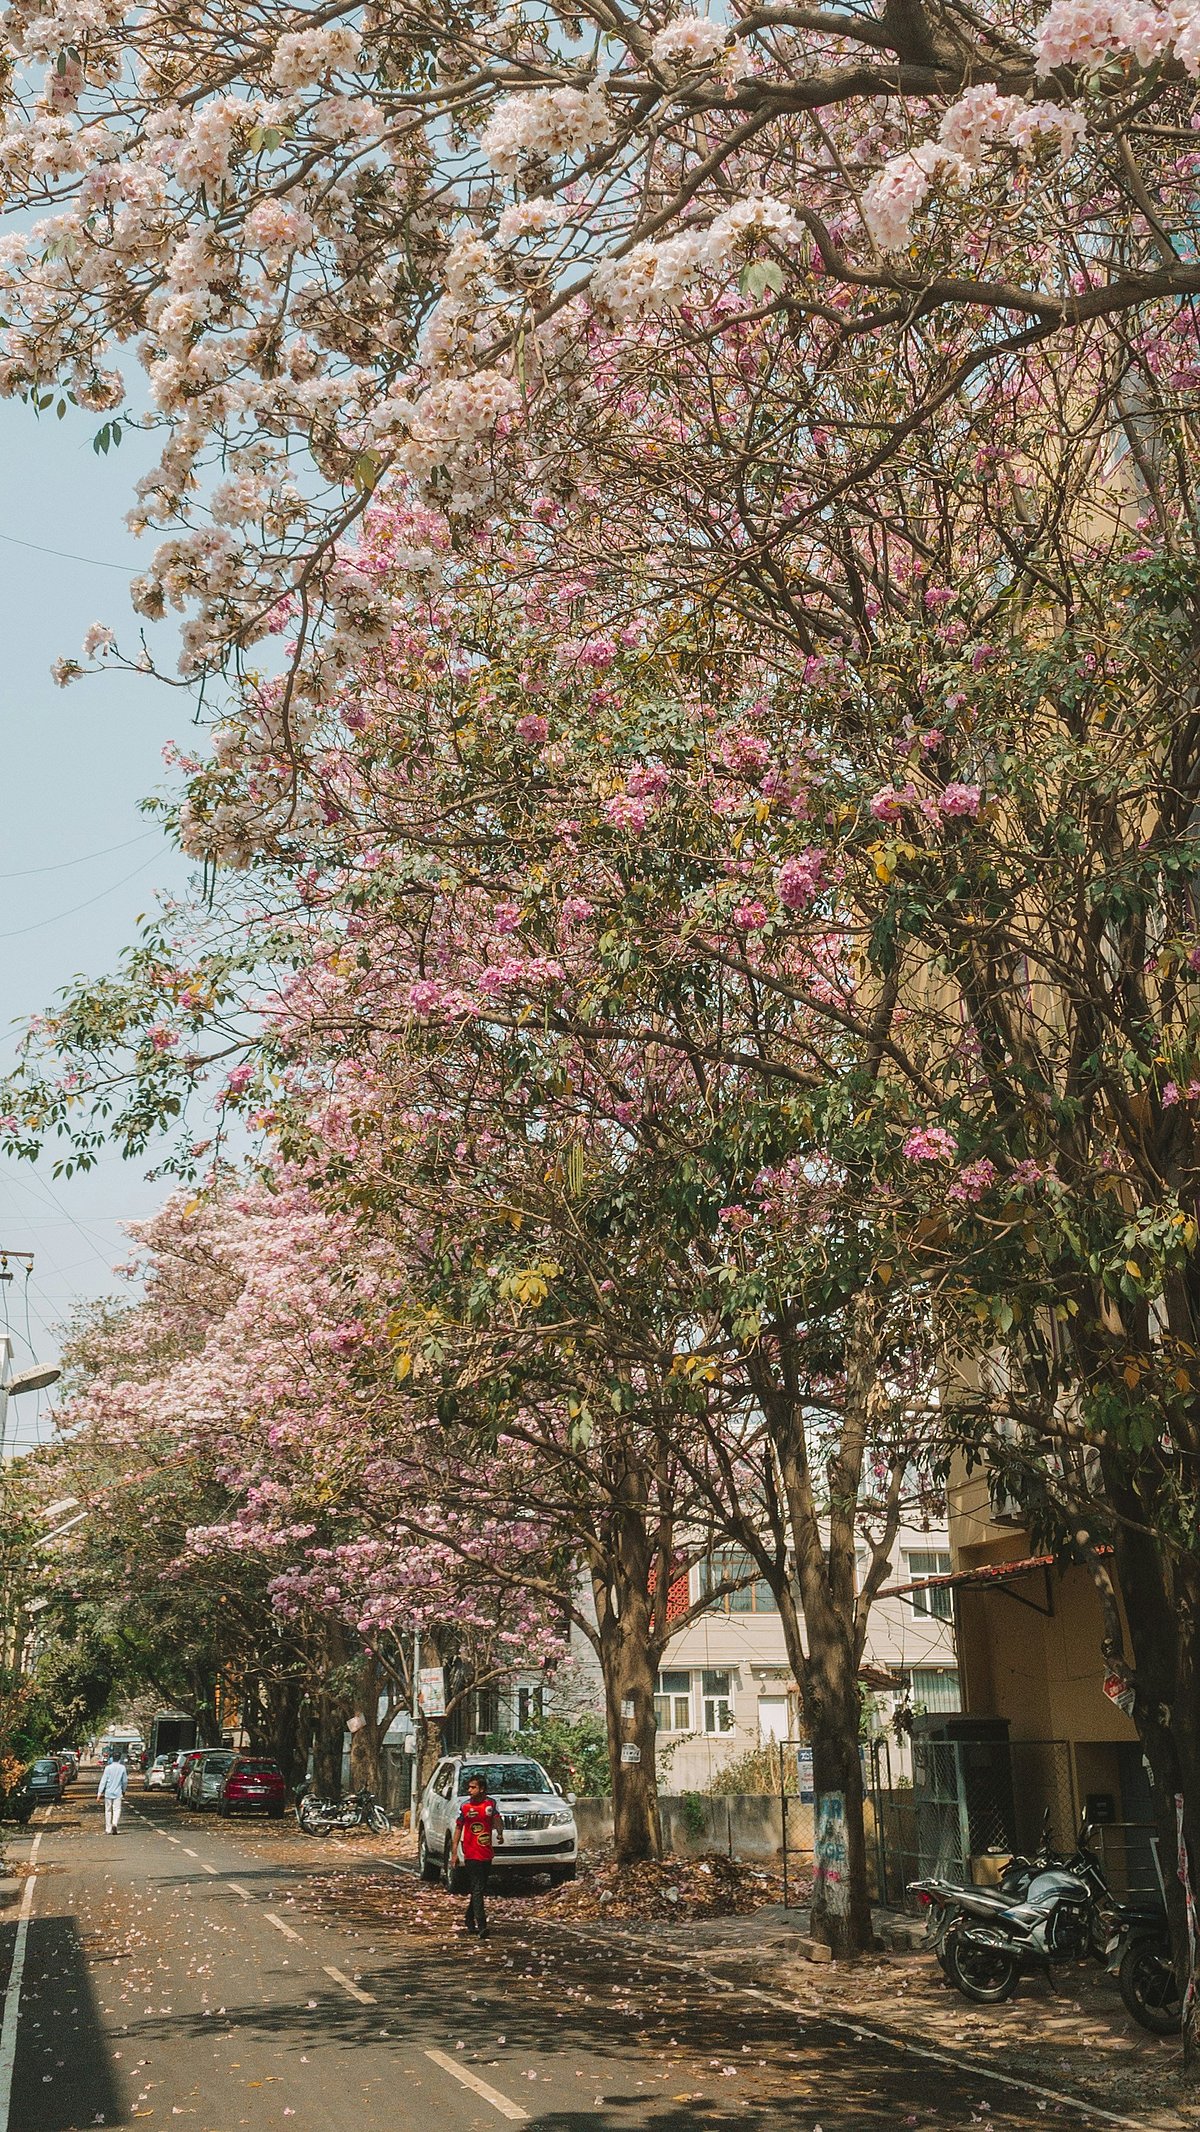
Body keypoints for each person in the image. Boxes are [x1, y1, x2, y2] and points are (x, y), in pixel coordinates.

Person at [450, 1769, 503, 1937]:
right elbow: (458, 1828)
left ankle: (468, 1917)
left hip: (486, 1852)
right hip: (471, 1853)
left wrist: (500, 1833)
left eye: (473, 1787)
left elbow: (496, 1820)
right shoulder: (465, 1807)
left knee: (479, 1888)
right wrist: (454, 1853)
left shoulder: (491, 1804)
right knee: (477, 1887)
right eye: (469, 1787)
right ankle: (481, 1925)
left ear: (482, 1789)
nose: (469, 1790)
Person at [97, 1753, 128, 1834]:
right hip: (118, 1792)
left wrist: (99, 1793)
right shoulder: (122, 1768)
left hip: (108, 1792)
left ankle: (108, 1829)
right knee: (117, 1809)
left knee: (108, 1810)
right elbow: (124, 1781)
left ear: (112, 1758)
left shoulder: (108, 1768)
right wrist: (124, 1790)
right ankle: (115, 1823)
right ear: (119, 1759)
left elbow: (103, 1781)